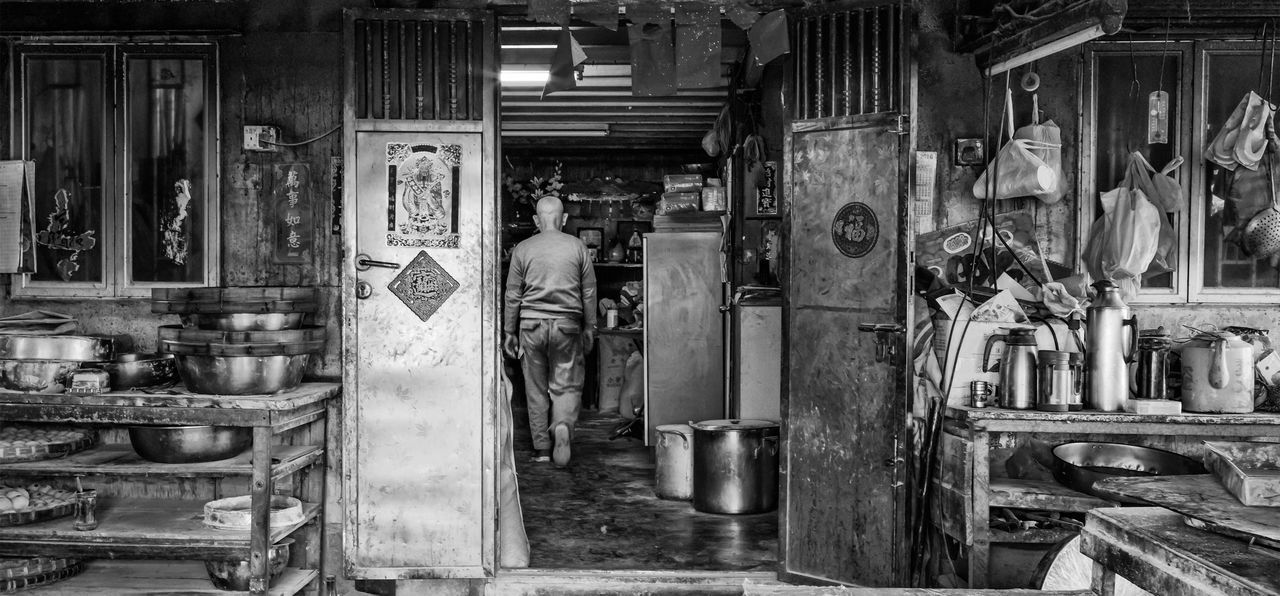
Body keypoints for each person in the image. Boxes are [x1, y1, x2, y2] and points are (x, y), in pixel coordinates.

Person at [503, 196, 596, 467]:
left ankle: (542, 449)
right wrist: (590, 326)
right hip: (567, 326)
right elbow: (589, 291)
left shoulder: (523, 248)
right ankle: (563, 425)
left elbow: (513, 294)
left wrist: (509, 331)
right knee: (566, 385)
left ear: (536, 220)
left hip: (531, 326)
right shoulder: (578, 246)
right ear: (563, 219)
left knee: (535, 389)